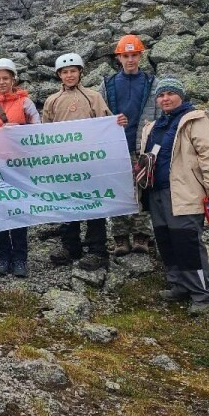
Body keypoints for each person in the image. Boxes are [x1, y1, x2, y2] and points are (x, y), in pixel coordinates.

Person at [139, 78, 209, 316]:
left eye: (170, 93)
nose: (165, 99)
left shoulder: (195, 120)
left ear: (181, 96)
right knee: (166, 240)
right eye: (161, 95)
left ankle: (203, 292)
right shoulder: (154, 125)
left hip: (184, 193)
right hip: (156, 193)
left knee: (187, 243)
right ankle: (179, 284)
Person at [41, 52, 123, 271]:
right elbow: (45, 134)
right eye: (65, 72)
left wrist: (117, 123)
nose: (69, 75)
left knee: (93, 203)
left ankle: (97, 250)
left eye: (73, 71)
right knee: (68, 204)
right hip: (65, 164)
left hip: (91, 163)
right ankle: (71, 246)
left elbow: (106, 124)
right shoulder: (52, 100)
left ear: (80, 73)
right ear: (59, 75)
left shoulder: (93, 96)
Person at [0, 58, 41, 277]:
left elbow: (39, 131)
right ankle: (3, 257)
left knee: (18, 211)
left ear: (14, 79)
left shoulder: (26, 104)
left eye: (6, 78)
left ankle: (20, 258)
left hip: (19, 165)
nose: (2, 82)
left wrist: (20, 129)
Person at [100, 34, 159, 256]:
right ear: (119, 57)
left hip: (142, 148)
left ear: (141, 56)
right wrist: (111, 120)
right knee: (118, 192)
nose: (130, 59)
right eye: (126, 55)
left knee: (143, 191)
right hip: (116, 148)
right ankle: (120, 239)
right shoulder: (108, 84)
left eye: (134, 55)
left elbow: (160, 112)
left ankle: (141, 237)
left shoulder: (152, 83)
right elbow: (101, 114)